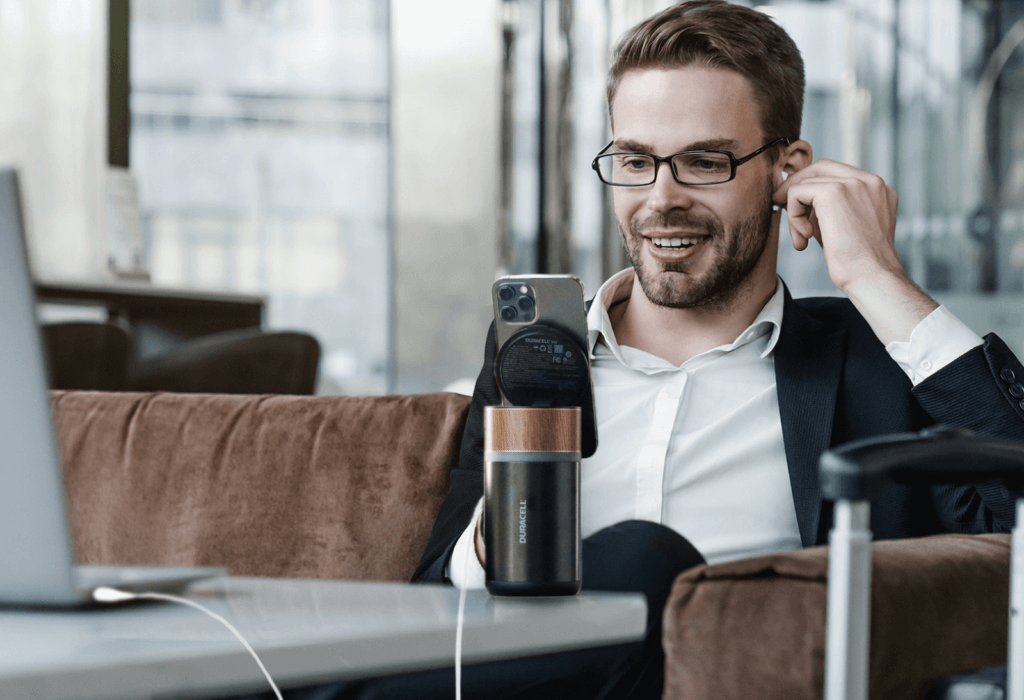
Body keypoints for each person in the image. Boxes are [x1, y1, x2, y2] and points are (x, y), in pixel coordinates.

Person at [240, 2, 1024, 699]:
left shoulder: (871, 357)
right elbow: (440, 582)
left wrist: (876, 278)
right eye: (635, 160)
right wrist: (509, 524)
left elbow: (1008, 510)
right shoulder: (539, 350)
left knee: (648, 565)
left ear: (788, 172)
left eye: (706, 162)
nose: (660, 197)